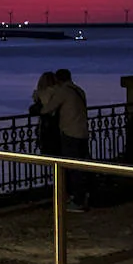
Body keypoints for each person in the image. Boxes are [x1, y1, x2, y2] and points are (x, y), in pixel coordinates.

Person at [37, 68, 90, 211]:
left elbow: (47, 109)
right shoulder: (79, 90)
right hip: (83, 131)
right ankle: (82, 196)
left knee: (73, 167)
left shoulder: (64, 92)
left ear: (59, 80)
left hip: (70, 133)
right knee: (81, 165)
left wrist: (38, 108)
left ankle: (77, 201)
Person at [29, 72, 62, 156]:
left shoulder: (43, 95)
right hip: (62, 129)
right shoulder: (60, 93)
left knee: (51, 155)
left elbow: (36, 110)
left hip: (48, 130)